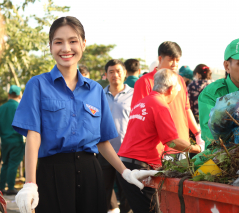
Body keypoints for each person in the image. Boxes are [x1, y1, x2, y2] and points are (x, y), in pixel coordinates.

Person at [12, 16, 157, 213]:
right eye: (58, 42)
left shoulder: (96, 90)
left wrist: (125, 172)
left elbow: (103, 141)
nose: (66, 48)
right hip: (53, 173)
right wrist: (30, 183)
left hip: (91, 173)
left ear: (83, 44)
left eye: (72, 41)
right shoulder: (37, 85)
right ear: (50, 46)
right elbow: (33, 136)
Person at [117, 68, 202, 213]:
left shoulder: (143, 103)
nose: (176, 94)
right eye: (177, 90)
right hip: (139, 168)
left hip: (125, 165)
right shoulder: (160, 105)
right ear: (170, 89)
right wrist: (198, 148)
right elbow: (172, 142)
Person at [131, 41, 205, 157]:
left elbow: (186, 109)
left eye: (177, 60)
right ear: (160, 58)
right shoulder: (145, 81)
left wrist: (197, 133)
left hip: (182, 145)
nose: (175, 64)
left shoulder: (180, 80)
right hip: (160, 149)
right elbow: (139, 117)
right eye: (171, 59)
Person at [100, 59, 133, 213]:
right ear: (106, 75)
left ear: (125, 73)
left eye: (118, 71)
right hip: (103, 152)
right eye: (111, 72)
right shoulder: (99, 95)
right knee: (102, 192)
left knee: (128, 193)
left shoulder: (134, 95)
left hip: (127, 152)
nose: (115, 75)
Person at [0, 85, 24, 195]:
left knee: (5, 163)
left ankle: (1, 188)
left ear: (9, 94)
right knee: (13, 164)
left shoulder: (2, 108)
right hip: (17, 140)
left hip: (4, 141)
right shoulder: (20, 107)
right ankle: (10, 187)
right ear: (19, 95)